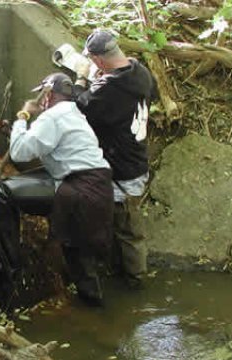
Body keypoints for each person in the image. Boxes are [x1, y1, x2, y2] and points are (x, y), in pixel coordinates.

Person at [0, 72, 114, 304]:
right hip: (97, 188)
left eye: (43, 95)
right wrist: (14, 131)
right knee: (79, 257)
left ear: (49, 95)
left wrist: (23, 116)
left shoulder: (51, 117)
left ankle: (6, 267)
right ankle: (97, 318)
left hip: (78, 191)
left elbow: (20, 153)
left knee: (4, 192)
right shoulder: (72, 114)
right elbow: (41, 144)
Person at [74, 29, 157, 289]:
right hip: (136, 158)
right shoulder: (139, 71)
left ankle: (135, 282)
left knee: (129, 231)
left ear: (98, 61)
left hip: (123, 170)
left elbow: (83, 106)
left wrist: (80, 79)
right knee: (123, 226)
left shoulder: (110, 88)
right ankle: (123, 273)